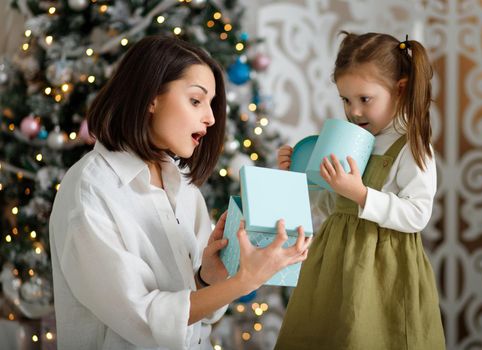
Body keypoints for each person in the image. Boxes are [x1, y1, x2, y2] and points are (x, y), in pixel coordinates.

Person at [49, 35, 310, 350]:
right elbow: (142, 317)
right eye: (196, 100)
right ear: (151, 98)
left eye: (211, 104)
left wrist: (207, 278)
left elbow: (195, 317)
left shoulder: (184, 187)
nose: (211, 118)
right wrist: (245, 281)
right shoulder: (89, 190)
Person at [275, 32, 446, 349]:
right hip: (335, 262)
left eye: (365, 99)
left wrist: (362, 195)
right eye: (346, 100)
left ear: (400, 90)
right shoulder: (353, 140)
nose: (353, 111)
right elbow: (333, 204)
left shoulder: (412, 146)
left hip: (383, 269)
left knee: (368, 334)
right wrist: (295, 177)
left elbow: (417, 214)